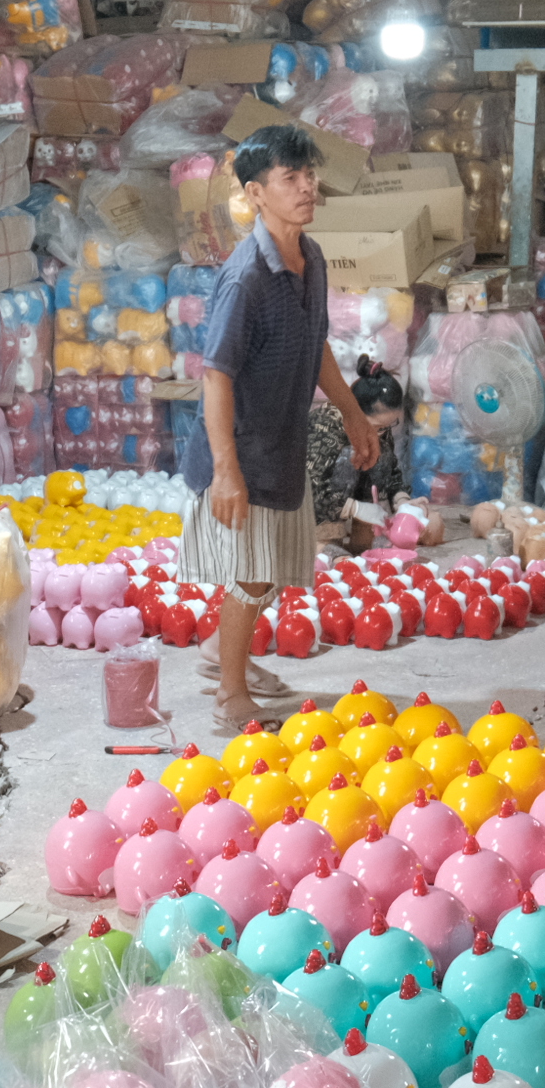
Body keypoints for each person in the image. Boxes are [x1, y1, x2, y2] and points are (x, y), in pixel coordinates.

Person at [179, 124, 379, 730]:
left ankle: (221, 652)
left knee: (274, 566)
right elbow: (217, 375)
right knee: (250, 572)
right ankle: (231, 696)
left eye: (309, 175)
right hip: (240, 450)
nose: (306, 188)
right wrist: (225, 471)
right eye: (290, 179)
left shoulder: (309, 257)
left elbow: (315, 342)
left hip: (281, 444)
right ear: (255, 193)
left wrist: (351, 411)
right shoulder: (246, 279)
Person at [308, 355, 407, 548]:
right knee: (349, 457)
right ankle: (326, 538)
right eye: (377, 426)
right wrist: (355, 508)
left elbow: (391, 469)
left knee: (380, 453)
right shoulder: (325, 427)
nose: (382, 431)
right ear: (356, 414)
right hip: (312, 509)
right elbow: (312, 491)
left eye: (388, 425)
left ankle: (362, 538)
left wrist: (402, 499)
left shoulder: (380, 429)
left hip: (352, 497)